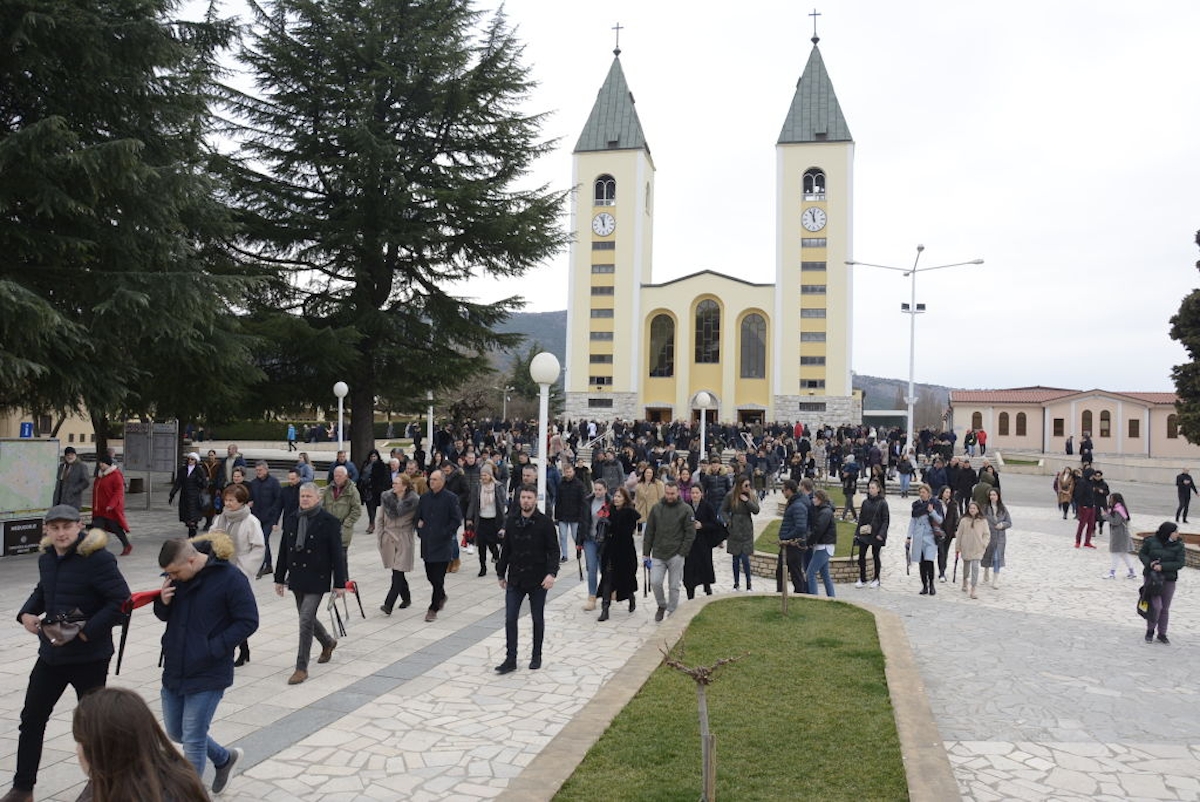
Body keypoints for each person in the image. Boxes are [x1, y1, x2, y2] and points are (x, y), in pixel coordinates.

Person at [6, 506, 129, 802]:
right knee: (32, 719)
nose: (61, 533)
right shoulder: (47, 559)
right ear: (46, 529)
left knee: (93, 727)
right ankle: (23, 788)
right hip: (51, 655)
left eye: (67, 527)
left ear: (79, 526)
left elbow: (121, 602)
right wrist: (26, 613)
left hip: (90, 657)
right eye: (55, 527)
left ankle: (102, 785)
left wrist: (87, 631)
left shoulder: (98, 559)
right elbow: (43, 591)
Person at [155, 535, 257, 792]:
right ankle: (224, 759)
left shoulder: (231, 578)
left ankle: (190, 795)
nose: (172, 578)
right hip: (175, 666)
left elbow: (248, 620)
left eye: (175, 572)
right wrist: (163, 602)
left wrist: (214, 648)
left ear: (191, 560)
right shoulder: (177, 578)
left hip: (209, 671)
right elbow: (164, 614)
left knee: (193, 739)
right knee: (176, 732)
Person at [71, 687, 210, 802]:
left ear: (100, 750)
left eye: (80, 742)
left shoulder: (103, 791)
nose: (77, 750)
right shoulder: (183, 780)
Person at [274, 483, 348, 685]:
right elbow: (284, 550)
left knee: (305, 619)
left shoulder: (329, 521)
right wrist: (279, 577)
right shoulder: (291, 519)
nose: (304, 499)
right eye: (302, 496)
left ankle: (301, 667)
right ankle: (328, 641)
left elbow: (337, 554)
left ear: (318, 499)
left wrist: (340, 583)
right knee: (306, 618)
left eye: (308, 496)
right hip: (297, 577)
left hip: (318, 577)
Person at [494, 484, 559, 673]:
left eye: (529, 498)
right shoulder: (512, 521)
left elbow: (554, 551)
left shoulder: (545, 523)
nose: (526, 501)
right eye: (523, 497)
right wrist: (500, 572)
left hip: (538, 578)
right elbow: (506, 549)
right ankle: (510, 658)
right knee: (510, 618)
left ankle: (536, 655)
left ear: (535, 500)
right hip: (515, 577)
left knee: (537, 618)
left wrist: (551, 574)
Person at [210, 483, 265, 666]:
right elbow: (210, 538)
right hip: (220, 569)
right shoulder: (220, 519)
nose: (228, 503)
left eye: (231, 500)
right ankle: (234, 648)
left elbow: (258, 548)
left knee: (237, 612)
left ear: (241, 502)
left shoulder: (251, 521)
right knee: (222, 612)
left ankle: (243, 649)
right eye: (226, 500)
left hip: (240, 570)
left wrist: (244, 568)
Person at [643, 481, 696, 621]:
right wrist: (646, 552)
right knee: (655, 582)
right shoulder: (656, 508)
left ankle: (672, 611)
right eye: (667, 493)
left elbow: (690, 533)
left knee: (674, 586)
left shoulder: (686, 509)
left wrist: (682, 552)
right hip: (659, 553)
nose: (670, 496)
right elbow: (649, 531)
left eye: (672, 493)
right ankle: (661, 605)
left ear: (677, 492)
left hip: (676, 554)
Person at [414, 469, 462, 622]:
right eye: (431, 479)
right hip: (428, 543)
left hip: (442, 544)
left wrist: (445, 532)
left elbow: (456, 520)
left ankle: (433, 608)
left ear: (442, 481)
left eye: (435, 479)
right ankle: (441, 595)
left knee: (438, 578)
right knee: (430, 575)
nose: (431, 482)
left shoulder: (450, 498)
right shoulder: (425, 498)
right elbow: (417, 517)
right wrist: (420, 529)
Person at [378, 473, 419, 614]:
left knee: (397, 571)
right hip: (388, 537)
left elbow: (419, 518)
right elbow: (380, 519)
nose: (393, 485)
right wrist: (380, 537)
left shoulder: (414, 501)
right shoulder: (387, 498)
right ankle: (406, 597)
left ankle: (388, 604)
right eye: (393, 483)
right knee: (397, 571)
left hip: (404, 537)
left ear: (405, 486)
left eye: (397, 483)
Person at [597, 486, 640, 621]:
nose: (616, 499)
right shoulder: (608, 511)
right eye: (615, 496)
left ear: (625, 499)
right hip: (610, 550)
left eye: (619, 496)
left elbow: (627, 532)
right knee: (607, 579)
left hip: (625, 551)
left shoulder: (630, 513)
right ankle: (605, 608)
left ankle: (631, 597)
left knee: (626, 578)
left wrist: (612, 526)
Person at [1140, 521, 1185, 643]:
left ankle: (1162, 633)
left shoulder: (1179, 545)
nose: (1177, 534)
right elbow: (1142, 553)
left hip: (1169, 579)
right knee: (1156, 606)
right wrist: (1150, 563)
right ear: (1168, 533)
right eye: (1175, 532)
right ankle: (1150, 630)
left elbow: (1180, 563)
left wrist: (1163, 566)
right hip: (1152, 578)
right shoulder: (1151, 541)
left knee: (1165, 607)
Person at [576, 479, 611, 611]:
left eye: (600, 489)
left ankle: (607, 593)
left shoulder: (610, 502)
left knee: (605, 569)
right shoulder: (587, 501)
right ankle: (592, 596)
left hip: (604, 541)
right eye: (595, 489)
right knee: (591, 568)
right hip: (589, 539)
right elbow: (582, 521)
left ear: (605, 490)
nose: (597, 492)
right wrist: (579, 541)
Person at [721, 476, 760, 591]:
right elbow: (723, 510)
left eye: (749, 485)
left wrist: (747, 501)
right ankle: (736, 583)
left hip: (746, 529)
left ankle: (749, 584)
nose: (748, 488)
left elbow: (756, 510)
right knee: (735, 558)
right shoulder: (730, 496)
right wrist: (728, 521)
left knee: (745, 558)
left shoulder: (751, 496)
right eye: (745, 485)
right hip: (734, 529)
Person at [468, 462, 507, 577]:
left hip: (494, 519)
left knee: (493, 543)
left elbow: (502, 502)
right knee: (481, 545)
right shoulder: (478, 486)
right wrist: (469, 517)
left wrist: (504, 519)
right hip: (481, 519)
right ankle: (482, 567)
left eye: (485, 475)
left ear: (490, 475)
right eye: (482, 475)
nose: (483, 477)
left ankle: (496, 557)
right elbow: (473, 502)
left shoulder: (497, 487)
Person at [90, 454, 132, 556]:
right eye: (100, 463)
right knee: (98, 528)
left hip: (110, 509)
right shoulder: (100, 476)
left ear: (108, 464)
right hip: (99, 508)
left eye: (103, 463)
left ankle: (126, 545)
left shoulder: (116, 475)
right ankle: (99, 550)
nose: (101, 465)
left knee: (115, 527)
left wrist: (111, 505)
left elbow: (118, 492)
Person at [906, 484, 944, 596]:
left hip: (930, 537)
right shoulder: (916, 505)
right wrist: (909, 537)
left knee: (929, 561)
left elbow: (940, 520)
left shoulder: (935, 504)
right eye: (920, 492)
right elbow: (912, 521)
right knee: (921, 563)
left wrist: (932, 511)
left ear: (928, 493)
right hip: (919, 537)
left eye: (923, 492)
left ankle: (932, 584)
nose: (921, 494)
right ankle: (924, 585)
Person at [684, 484, 720, 599]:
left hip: (703, 542)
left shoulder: (707, 506)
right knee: (689, 568)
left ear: (701, 494)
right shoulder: (686, 506)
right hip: (690, 543)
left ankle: (707, 586)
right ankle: (690, 592)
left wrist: (702, 525)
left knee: (705, 565)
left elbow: (715, 524)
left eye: (697, 493)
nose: (694, 495)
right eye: (693, 493)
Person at [248, 460, 283, 579]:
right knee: (262, 541)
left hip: (269, 517)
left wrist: (275, 521)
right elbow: (250, 498)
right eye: (256, 470)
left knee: (263, 540)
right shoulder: (253, 483)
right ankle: (268, 565)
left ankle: (260, 566)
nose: (258, 472)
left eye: (260, 470)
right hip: (257, 517)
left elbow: (278, 501)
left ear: (266, 470)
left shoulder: (274, 482)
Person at [854, 479, 889, 588]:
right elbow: (861, 518)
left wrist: (881, 534)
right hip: (865, 532)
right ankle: (862, 577)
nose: (871, 490)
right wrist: (857, 532)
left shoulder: (882, 503)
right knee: (861, 555)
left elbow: (885, 520)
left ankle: (876, 578)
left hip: (877, 533)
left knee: (875, 556)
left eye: (873, 488)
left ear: (878, 489)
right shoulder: (865, 502)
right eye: (869, 488)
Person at [775, 479, 808, 594]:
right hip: (789, 544)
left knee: (795, 572)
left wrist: (786, 538)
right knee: (781, 571)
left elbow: (801, 527)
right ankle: (781, 594)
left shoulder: (798, 505)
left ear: (789, 490)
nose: (782, 492)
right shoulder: (794, 503)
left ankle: (799, 594)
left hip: (794, 545)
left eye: (783, 490)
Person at [322, 465, 362, 557]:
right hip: (328, 528)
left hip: (343, 529)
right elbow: (323, 506)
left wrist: (346, 523)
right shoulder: (328, 490)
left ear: (346, 476)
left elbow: (357, 510)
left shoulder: (352, 491)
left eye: (340, 476)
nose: (337, 478)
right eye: (335, 475)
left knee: (341, 558)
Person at [804, 489, 836, 597]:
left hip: (824, 547)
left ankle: (814, 598)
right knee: (825, 574)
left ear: (820, 499)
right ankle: (832, 597)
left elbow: (818, 530)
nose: (813, 500)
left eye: (815, 498)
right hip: (823, 546)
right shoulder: (823, 510)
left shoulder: (825, 512)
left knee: (810, 573)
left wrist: (808, 542)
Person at [955, 500, 990, 599]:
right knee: (966, 566)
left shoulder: (983, 521)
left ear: (978, 509)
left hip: (978, 548)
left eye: (974, 508)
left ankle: (973, 588)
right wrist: (958, 547)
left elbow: (987, 534)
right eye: (970, 508)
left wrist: (984, 544)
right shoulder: (964, 520)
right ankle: (965, 580)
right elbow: (959, 534)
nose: (972, 510)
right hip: (966, 546)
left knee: (975, 567)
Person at [554, 462, 587, 564]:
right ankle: (564, 555)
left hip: (575, 515)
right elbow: (558, 500)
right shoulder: (561, 484)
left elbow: (583, 501)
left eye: (570, 471)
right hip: (563, 514)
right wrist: (557, 515)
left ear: (573, 471)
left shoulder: (579, 485)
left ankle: (579, 550)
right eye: (566, 472)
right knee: (562, 536)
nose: (568, 474)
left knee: (575, 535)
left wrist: (582, 515)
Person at [1103, 492, 1138, 580]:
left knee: (1115, 553)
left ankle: (1112, 573)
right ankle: (1132, 572)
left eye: (1111, 499)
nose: (1110, 500)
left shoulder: (1118, 510)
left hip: (1119, 535)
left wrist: (1106, 516)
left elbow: (1116, 522)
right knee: (1124, 555)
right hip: (1121, 534)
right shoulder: (1119, 509)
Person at [982, 487, 1012, 589]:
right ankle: (986, 570)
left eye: (994, 495)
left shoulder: (1003, 508)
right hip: (988, 536)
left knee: (996, 557)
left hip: (1000, 537)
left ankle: (995, 579)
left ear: (998, 496)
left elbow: (1009, 522)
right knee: (987, 555)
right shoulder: (985, 508)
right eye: (991, 495)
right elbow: (980, 520)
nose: (992, 497)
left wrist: (1002, 525)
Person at [358, 449, 391, 535]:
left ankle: (377, 523)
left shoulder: (381, 465)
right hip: (367, 489)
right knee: (369, 507)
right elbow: (361, 475)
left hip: (376, 490)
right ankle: (371, 523)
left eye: (375, 456)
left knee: (375, 507)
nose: (373, 458)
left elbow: (384, 478)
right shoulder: (366, 465)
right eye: (372, 456)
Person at [935, 485, 959, 583]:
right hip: (939, 531)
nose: (947, 494)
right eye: (946, 492)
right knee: (941, 551)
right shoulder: (937, 503)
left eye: (949, 492)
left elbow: (956, 518)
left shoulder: (953, 504)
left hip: (949, 531)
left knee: (946, 551)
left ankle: (943, 569)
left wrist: (955, 529)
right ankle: (941, 572)